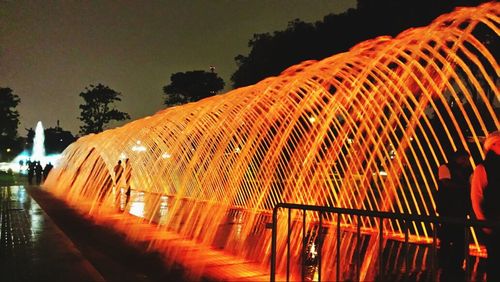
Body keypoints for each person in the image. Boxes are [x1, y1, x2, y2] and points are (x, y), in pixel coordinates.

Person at [436, 148, 472, 279]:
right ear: (458, 157)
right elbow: (446, 183)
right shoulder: (445, 167)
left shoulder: (467, 171)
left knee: (459, 238)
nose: (467, 161)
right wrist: (466, 187)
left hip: (460, 209)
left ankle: (457, 263)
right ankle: (445, 265)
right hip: (447, 209)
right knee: (446, 236)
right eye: (465, 158)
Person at [471, 131, 500, 282]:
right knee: (495, 264)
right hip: (493, 224)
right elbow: (476, 198)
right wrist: (485, 225)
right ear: (492, 145)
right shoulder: (482, 168)